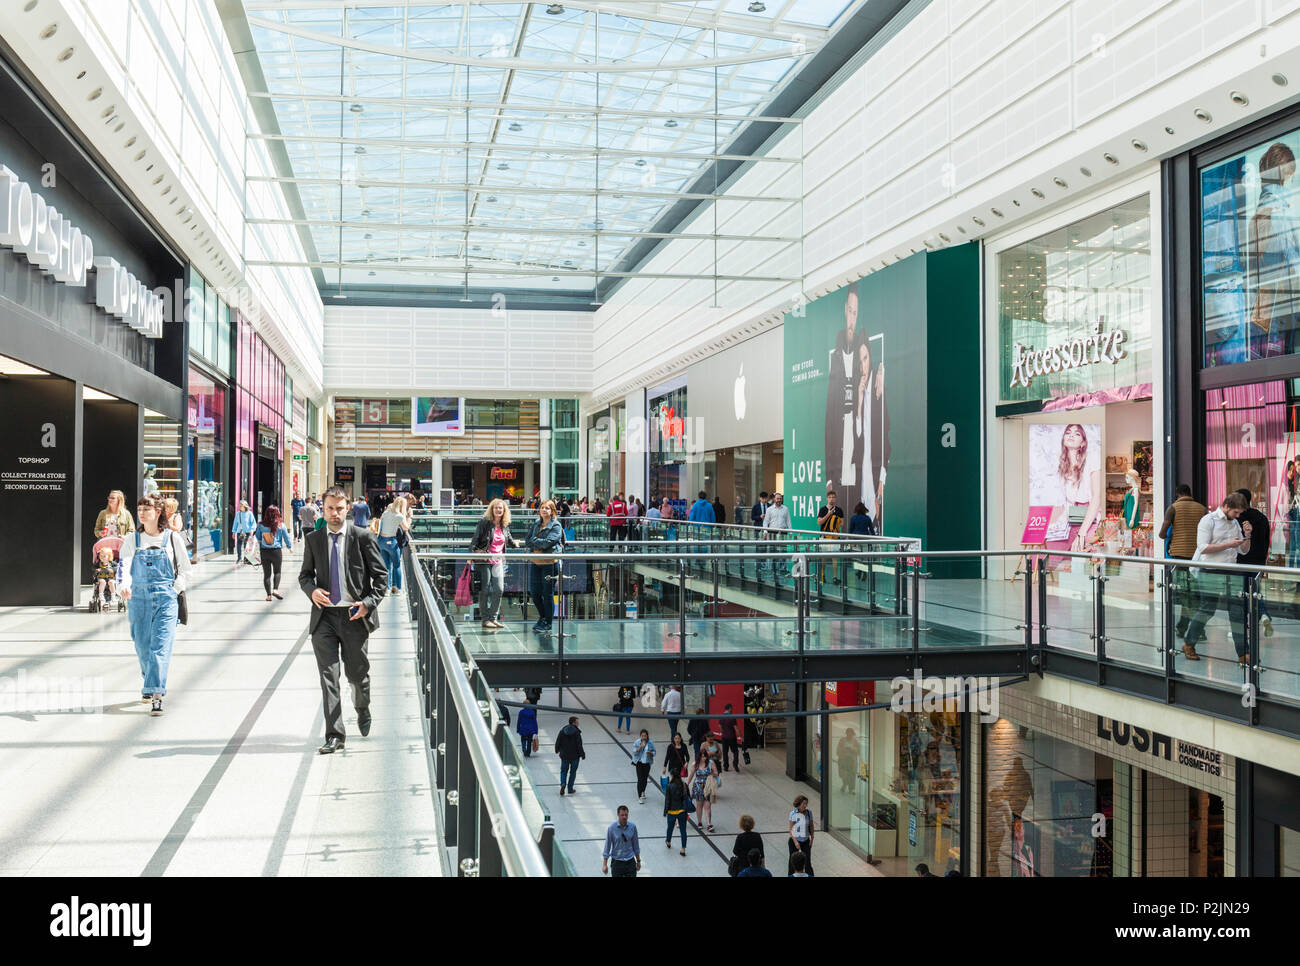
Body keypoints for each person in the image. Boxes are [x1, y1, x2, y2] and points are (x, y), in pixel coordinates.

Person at [298, 486, 389, 755]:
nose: (334, 513)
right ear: (322, 509)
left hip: (354, 615)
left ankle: (362, 707)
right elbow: (305, 576)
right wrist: (312, 590)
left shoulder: (362, 537)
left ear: (347, 508)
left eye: (339, 508)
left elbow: (381, 578)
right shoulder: (314, 539)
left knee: (357, 675)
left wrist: (368, 604)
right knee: (329, 677)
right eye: (329, 508)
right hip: (324, 617)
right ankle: (335, 734)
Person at [119, 495, 190, 717]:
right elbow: (124, 564)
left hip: (166, 599)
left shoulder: (172, 539)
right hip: (138, 599)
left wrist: (175, 589)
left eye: (146, 509)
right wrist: (125, 585)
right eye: (139, 509)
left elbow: (186, 569)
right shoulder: (133, 539)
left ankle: (156, 695)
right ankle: (149, 680)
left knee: (160, 648)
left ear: (158, 512)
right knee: (141, 646)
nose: (141, 513)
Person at [1183, 491, 1252, 663]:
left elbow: (1243, 550)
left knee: (1237, 611)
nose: (1237, 515)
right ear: (1226, 506)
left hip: (1231, 570)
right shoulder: (1208, 520)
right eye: (1235, 512)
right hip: (1210, 570)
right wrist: (1229, 544)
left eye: (1240, 513)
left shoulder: (1235, 522)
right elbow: (1202, 548)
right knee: (1207, 609)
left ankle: (1244, 654)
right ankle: (1189, 643)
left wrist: (1247, 536)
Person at [1247, 141, 1300, 359]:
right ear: (1285, 173)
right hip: (1280, 302)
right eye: (1291, 173)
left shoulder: (1267, 209)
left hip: (1273, 303)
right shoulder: (1278, 208)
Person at [1159, 484, 1208, 643]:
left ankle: (1186, 627)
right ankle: (1194, 628)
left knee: (1186, 594)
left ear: (1177, 494)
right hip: (1198, 556)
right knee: (1195, 593)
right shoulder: (1202, 509)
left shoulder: (1173, 508)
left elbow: (1161, 533)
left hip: (1180, 556)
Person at [824, 287, 861, 500]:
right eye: (850, 311)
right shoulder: (836, 356)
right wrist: (829, 475)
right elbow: (829, 420)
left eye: (856, 313)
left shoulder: (861, 350)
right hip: (840, 441)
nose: (852, 318)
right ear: (844, 311)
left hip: (855, 440)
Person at [852, 332, 891, 526]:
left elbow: (886, 441)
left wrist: (880, 488)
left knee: (876, 520)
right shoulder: (860, 392)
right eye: (860, 361)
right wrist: (858, 404)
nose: (863, 365)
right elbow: (858, 441)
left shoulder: (879, 386)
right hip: (864, 475)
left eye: (865, 358)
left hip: (876, 477)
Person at [470, 499, 519, 628]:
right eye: (496, 508)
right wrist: (470, 555)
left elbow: (509, 539)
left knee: (499, 589)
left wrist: (516, 544)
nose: (498, 510)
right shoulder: (484, 522)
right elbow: (475, 539)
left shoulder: (504, 525)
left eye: (501, 508)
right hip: (485, 560)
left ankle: (493, 617)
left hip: (498, 561)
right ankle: (485, 619)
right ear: (492, 509)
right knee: (485, 590)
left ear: (504, 511)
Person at [1235, 488, 1274, 636]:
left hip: (1242, 561)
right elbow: (1266, 542)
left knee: (1244, 594)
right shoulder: (1262, 518)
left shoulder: (1237, 518)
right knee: (1255, 591)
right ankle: (1263, 615)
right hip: (1258, 561)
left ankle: (1245, 625)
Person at [524, 500, 564, 633]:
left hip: (550, 564)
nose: (544, 510)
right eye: (542, 507)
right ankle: (542, 617)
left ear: (552, 511)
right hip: (536, 562)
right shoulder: (536, 524)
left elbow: (548, 543)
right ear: (539, 510)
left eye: (548, 508)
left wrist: (534, 541)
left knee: (548, 594)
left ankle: (548, 622)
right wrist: (536, 543)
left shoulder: (556, 526)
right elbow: (527, 541)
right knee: (535, 594)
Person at [254, 505, 292, 601]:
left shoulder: (261, 525)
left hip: (264, 552)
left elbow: (257, 537)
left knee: (267, 574)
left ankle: (268, 595)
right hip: (276, 552)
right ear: (277, 514)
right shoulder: (280, 525)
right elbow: (286, 538)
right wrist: (289, 547)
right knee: (277, 571)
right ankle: (275, 590)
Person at [377, 495, 411, 597]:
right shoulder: (399, 516)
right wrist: (406, 517)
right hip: (391, 542)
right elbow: (406, 528)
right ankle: (397, 589)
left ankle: (387, 589)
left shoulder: (385, 513)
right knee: (396, 565)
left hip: (381, 541)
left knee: (386, 566)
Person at [602, 806, 641, 877]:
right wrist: (605, 864)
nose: (624, 817)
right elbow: (607, 846)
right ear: (618, 815)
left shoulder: (632, 827)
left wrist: (638, 861)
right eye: (622, 815)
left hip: (630, 861)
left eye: (626, 815)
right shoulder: (612, 828)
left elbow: (636, 845)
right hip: (617, 862)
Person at [817, 490, 845, 584]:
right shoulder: (823, 509)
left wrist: (835, 519)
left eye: (833, 497)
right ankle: (822, 575)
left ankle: (834, 577)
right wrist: (828, 514)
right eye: (830, 497)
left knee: (835, 557)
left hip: (835, 537)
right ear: (827, 498)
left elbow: (842, 524)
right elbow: (819, 522)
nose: (832, 499)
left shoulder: (839, 510)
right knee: (823, 557)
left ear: (836, 498)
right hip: (824, 536)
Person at [688, 749, 719, 832]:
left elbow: (716, 773)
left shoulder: (710, 763)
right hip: (698, 787)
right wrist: (687, 784)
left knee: (708, 806)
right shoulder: (695, 764)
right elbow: (691, 775)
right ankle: (699, 822)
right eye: (702, 757)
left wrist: (712, 773)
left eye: (705, 756)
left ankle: (709, 824)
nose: (704, 758)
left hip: (708, 786)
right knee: (699, 805)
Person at [554, 715, 585, 796]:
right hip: (575, 756)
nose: (578, 724)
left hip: (564, 755)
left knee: (564, 771)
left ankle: (563, 784)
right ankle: (570, 789)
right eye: (577, 722)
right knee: (573, 772)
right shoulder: (577, 732)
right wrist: (582, 754)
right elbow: (579, 745)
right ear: (574, 723)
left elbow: (558, 741)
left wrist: (557, 749)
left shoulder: (563, 730)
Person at [787, 794, 815, 876]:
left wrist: (812, 839)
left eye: (806, 804)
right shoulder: (793, 813)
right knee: (792, 861)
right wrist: (795, 842)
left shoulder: (809, 813)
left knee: (807, 861)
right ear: (799, 804)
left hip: (805, 840)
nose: (805, 806)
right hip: (795, 839)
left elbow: (811, 825)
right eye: (803, 804)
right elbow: (791, 829)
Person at [663, 773, 689, 856]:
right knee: (683, 830)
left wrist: (665, 811)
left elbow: (667, 800)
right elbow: (688, 797)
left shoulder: (669, 786)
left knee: (670, 828)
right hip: (682, 811)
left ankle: (668, 841)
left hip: (672, 811)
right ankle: (683, 848)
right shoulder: (684, 785)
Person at [631, 729, 656, 804]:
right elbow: (634, 752)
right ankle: (640, 796)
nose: (644, 737)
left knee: (645, 779)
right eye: (642, 736)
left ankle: (643, 791)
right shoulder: (637, 742)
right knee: (640, 779)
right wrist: (640, 748)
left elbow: (654, 752)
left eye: (645, 736)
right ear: (640, 736)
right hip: (639, 762)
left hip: (647, 763)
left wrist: (651, 753)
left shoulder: (650, 743)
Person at [231, 499, 255, 565]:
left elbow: (253, 523)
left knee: (246, 546)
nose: (240, 507)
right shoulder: (238, 514)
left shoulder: (249, 513)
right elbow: (235, 523)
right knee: (238, 545)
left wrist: (252, 530)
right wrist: (233, 532)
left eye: (241, 505)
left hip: (247, 531)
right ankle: (239, 558)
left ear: (245, 506)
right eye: (240, 505)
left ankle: (245, 559)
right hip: (240, 531)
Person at [720, 702, 743, 772]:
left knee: (725, 752)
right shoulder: (732, 717)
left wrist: (724, 731)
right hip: (732, 737)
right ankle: (735, 764)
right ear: (729, 708)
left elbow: (720, 726)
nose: (732, 709)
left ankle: (726, 767)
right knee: (735, 751)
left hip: (724, 737)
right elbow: (736, 728)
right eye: (731, 708)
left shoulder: (721, 716)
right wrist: (740, 736)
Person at [836, 727, 858, 793]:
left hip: (852, 761)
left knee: (852, 775)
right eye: (848, 733)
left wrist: (852, 749)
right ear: (846, 733)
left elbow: (858, 750)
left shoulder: (855, 741)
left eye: (851, 733)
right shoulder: (842, 740)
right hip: (843, 759)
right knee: (844, 774)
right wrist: (843, 750)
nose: (849, 734)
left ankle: (851, 788)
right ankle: (844, 784)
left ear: (853, 734)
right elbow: (838, 749)